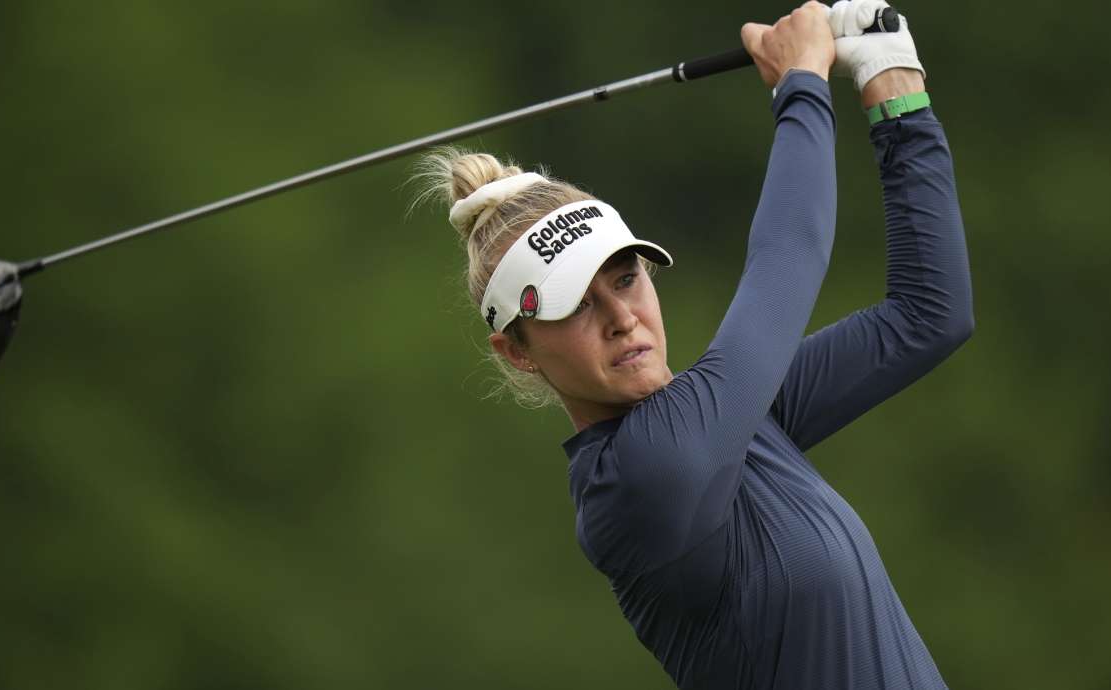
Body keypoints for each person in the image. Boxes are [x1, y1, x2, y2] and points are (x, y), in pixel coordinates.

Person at [415, 1, 972, 687]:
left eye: (626, 279)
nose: (622, 317)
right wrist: (801, 83)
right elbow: (788, 255)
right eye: (576, 305)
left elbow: (928, 314)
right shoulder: (642, 481)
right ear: (519, 352)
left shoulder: (738, 422)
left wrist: (892, 83)